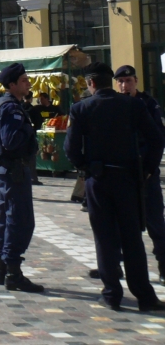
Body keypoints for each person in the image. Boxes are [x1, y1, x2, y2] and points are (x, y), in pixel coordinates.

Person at [65, 62, 165, 311]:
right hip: (129, 179)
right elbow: (156, 139)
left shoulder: (81, 108)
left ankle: (111, 294)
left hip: (98, 180)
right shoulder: (133, 105)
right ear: (111, 82)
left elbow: (70, 149)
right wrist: (147, 169)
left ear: (91, 83)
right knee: (133, 238)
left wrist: (85, 167)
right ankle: (144, 295)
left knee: (105, 238)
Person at [0, 63, 43, 293]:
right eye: (24, 81)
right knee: (20, 220)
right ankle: (13, 273)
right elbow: (11, 141)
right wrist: (30, 131)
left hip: (5, 170)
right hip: (14, 171)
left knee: (6, 218)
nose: (28, 84)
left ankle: (2, 269)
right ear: (12, 85)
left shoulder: (0, 104)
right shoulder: (11, 108)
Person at [114, 65, 165, 285]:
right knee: (118, 223)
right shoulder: (113, 104)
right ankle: (114, 264)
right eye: (121, 82)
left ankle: (164, 266)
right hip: (123, 173)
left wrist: (150, 169)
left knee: (156, 222)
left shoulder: (149, 104)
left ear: (136, 81)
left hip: (146, 172)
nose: (125, 86)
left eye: (129, 81)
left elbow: (157, 139)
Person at [21, 91, 42, 186]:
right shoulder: (33, 109)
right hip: (31, 134)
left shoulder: (19, 107)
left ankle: (24, 177)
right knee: (32, 157)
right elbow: (38, 122)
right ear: (31, 98)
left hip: (21, 135)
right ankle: (33, 177)